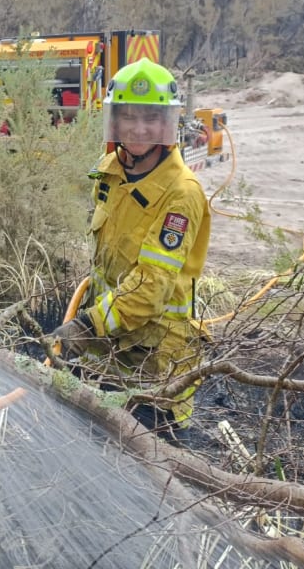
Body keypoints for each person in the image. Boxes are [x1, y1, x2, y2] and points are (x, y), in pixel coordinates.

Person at [47, 58, 211, 436]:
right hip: (108, 348)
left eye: (151, 118)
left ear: (168, 123)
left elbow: (151, 286)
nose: (139, 129)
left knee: (149, 461)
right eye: (129, 117)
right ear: (114, 121)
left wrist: (86, 327)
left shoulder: (181, 193)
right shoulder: (111, 170)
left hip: (154, 360)